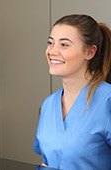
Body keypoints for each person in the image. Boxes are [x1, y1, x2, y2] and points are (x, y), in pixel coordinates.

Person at [33, 14, 111, 169]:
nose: (52, 51)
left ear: (90, 52)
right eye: (50, 43)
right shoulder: (49, 105)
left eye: (64, 45)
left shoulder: (107, 101)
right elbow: (47, 163)